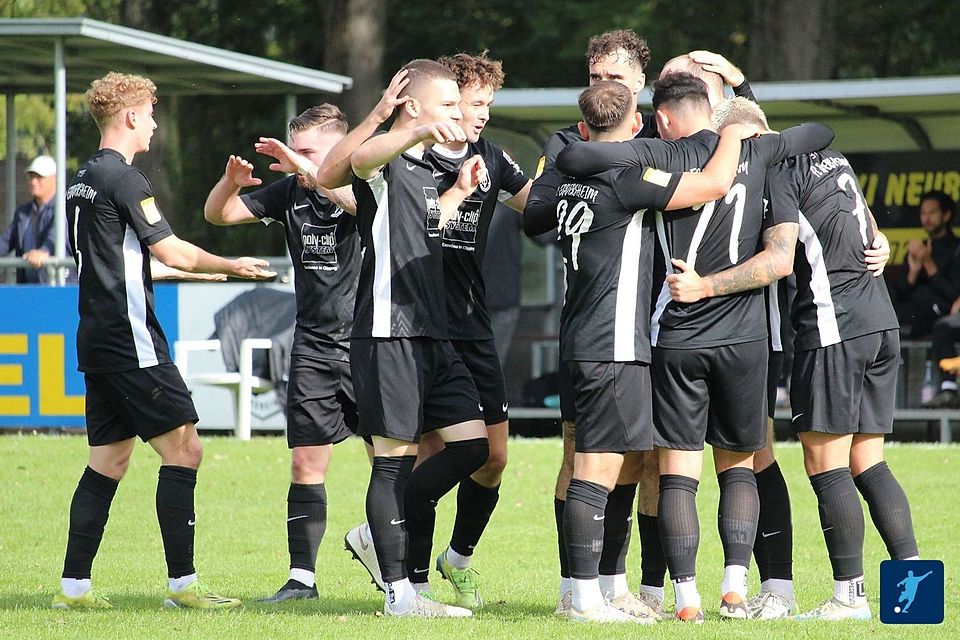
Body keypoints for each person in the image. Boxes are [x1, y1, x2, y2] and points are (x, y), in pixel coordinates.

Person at [556, 72, 834, 622]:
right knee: (740, 465)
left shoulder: (658, 154)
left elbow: (578, 161)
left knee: (678, 471)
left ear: (661, 118)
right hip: (748, 337)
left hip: (677, 333)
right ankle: (735, 583)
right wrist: (743, 132)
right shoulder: (760, 151)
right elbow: (820, 132)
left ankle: (685, 598)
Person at [523, 32, 757, 618]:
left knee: (640, 457)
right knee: (591, 460)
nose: (603, 85)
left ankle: (632, 584)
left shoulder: (607, 146)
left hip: (628, 328)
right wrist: (732, 127)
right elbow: (711, 177)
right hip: (613, 334)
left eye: (614, 78)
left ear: (640, 88)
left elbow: (551, 193)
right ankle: (582, 587)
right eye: (595, 75)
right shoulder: (626, 159)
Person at [54, 71, 274, 610]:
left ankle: (74, 589)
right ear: (129, 116)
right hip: (132, 342)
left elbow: (116, 261)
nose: (154, 123)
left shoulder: (83, 178)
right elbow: (169, 249)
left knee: (107, 461)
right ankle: (184, 587)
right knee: (185, 449)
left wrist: (191, 276)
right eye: (150, 112)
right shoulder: (126, 179)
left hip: (98, 339)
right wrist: (232, 264)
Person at [666, 96, 890, 619]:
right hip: (880, 320)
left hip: (830, 326)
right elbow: (831, 148)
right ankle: (915, 598)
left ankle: (845, 596)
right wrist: (879, 240)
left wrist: (703, 287)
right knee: (869, 463)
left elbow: (781, 259)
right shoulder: (829, 159)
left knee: (822, 463)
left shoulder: (776, 167)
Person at [203, 103, 372, 604]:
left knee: (385, 461)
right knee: (305, 465)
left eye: (307, 152)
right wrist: (231, 182)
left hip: (368, 347)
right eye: (292, 150)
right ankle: (302, 580)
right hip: (314, 347)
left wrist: (306, 168)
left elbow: (352, 202)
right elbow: (218, 215)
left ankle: (395, 568)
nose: (293, 161)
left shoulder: (361, 187)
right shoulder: (290, 194)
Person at [349, 59, 491, 618]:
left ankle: (373, 533)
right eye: (449, 104)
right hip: (390, 332)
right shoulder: (386, 155)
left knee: (473, 445)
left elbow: (425, 226)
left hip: (432, 334)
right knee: (392, 462)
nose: (458, 113)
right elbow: (356, 159)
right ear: (414, 106)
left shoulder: (423, 169)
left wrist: (456, 193)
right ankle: (398, 594)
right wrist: (408, 128)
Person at [892, 190, 960, 337]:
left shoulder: (956, 248)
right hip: (913, 312)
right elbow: (900, 293)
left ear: (946, 215)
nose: (926, 218)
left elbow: (954, 295)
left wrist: (929, 265)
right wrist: (914, 272)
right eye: (923, 213)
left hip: (942, 314)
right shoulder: (920, 248)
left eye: (932, 213)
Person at [0, 154, 61, 283]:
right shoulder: (23, 213)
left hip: (58, 289)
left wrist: (44, 252)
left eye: (39, 177)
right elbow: (5, 242)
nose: (33, 182)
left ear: (54, 179)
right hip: (28, 291)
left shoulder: (64, 209)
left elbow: (58, 236)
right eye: (31, 176)